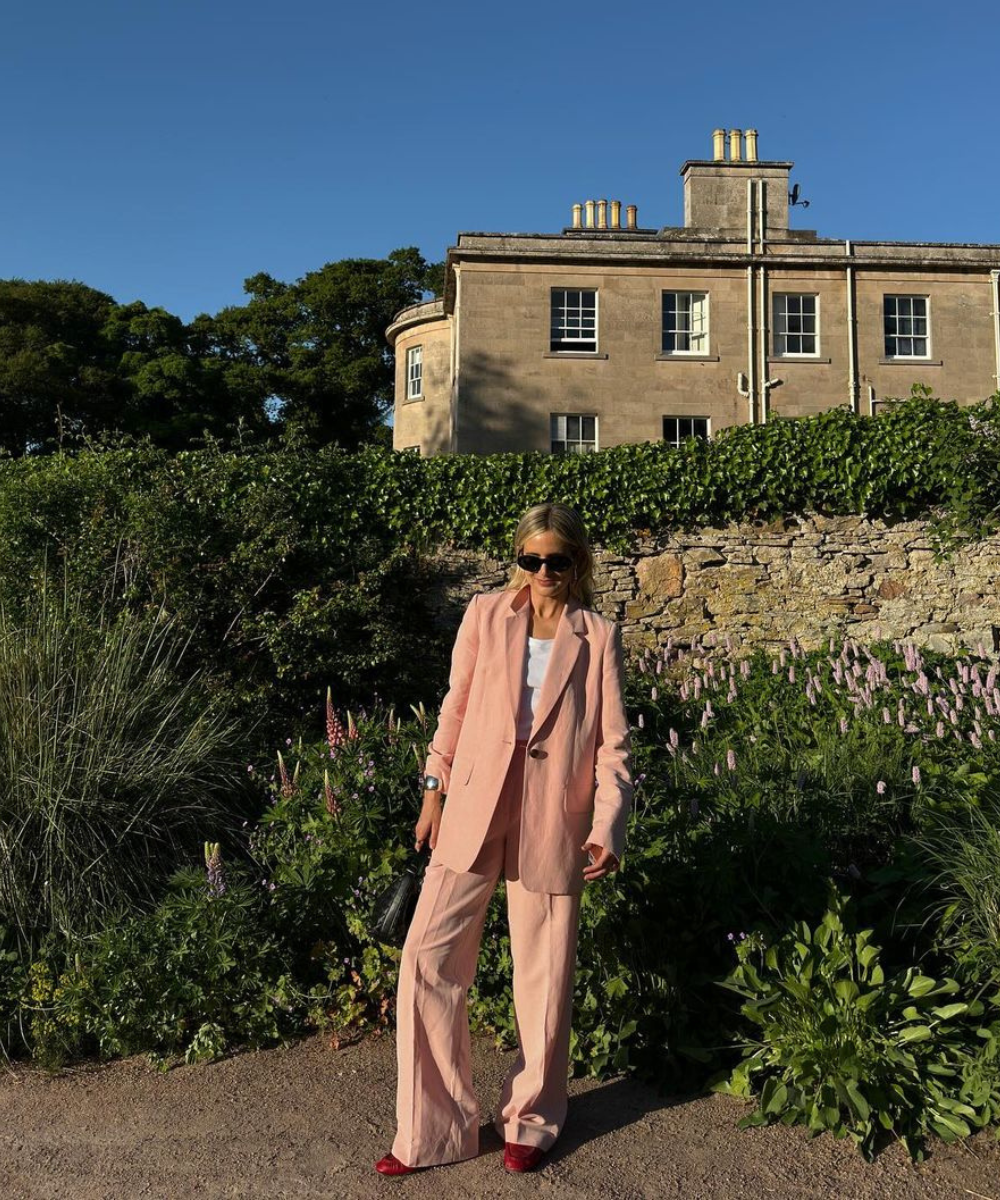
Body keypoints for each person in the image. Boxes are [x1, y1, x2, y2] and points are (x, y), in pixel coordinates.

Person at [375, 502, 633, 1176]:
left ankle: (533, 1118)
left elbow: (614, 746)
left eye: (558, 561)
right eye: (532, 559)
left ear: (578, 563)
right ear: (516, 558)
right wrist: (433, 790)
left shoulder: (597, 635)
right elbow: (454, 707)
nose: (544, 572)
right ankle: (432, 1130)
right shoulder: (485, 615)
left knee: (543, 977)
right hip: (472, 806)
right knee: (426, 957)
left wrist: (608, 824)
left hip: (556, 818)